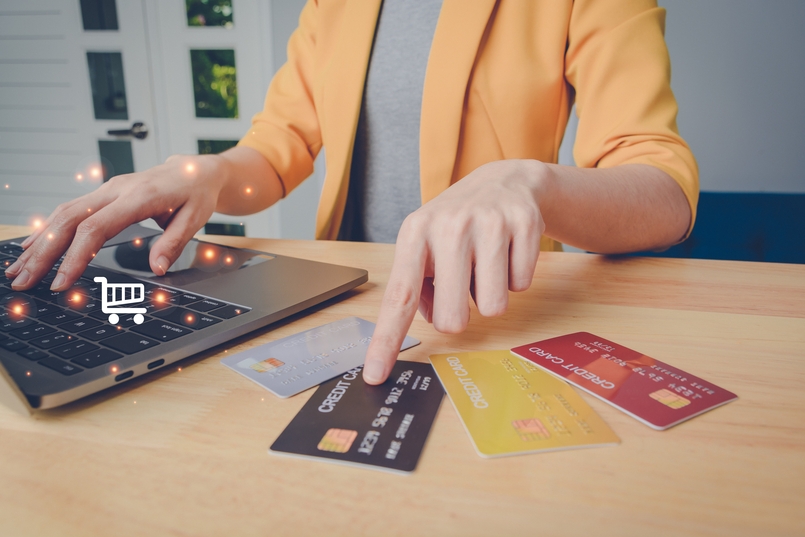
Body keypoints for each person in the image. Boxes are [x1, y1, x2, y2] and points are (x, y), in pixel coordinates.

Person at [4, 0, 698, 386]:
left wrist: (529, 181)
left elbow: (663, 194)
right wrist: (203, 172)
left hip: (493, 310)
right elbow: (277, 152)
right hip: (344, 304)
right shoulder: (332, 5)